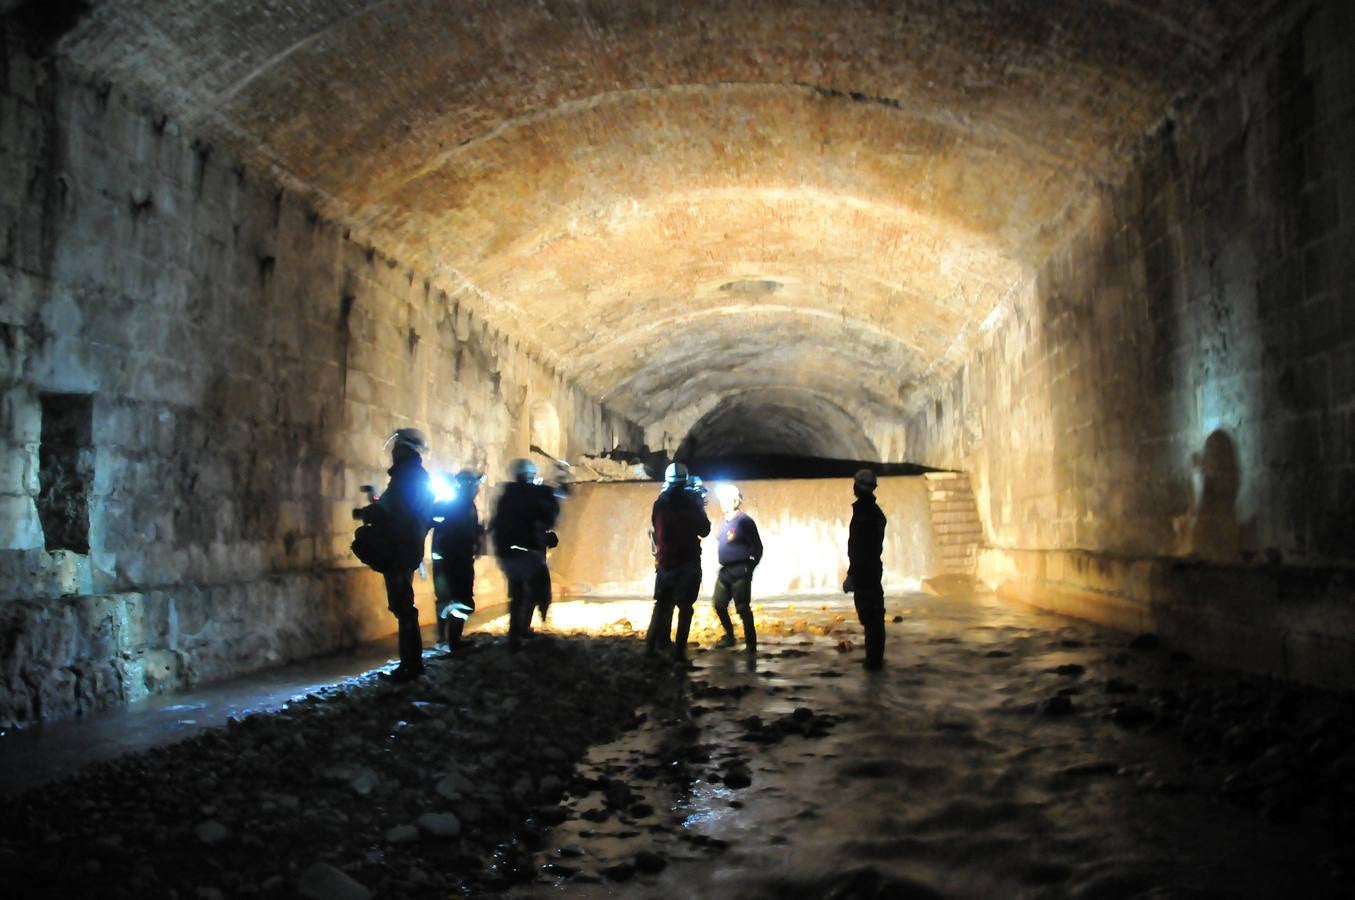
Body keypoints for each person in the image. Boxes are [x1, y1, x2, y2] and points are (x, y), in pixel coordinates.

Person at [376, 428, 435, 682]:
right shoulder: (415, 476)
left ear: (404, 449)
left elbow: (397, 511)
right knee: (403, 605)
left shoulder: (406, 476)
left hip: (399, 547)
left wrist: (373, 513)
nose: (393, 451)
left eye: (397, 447)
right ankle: (411, 663)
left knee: (403, 606)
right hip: (407, 545)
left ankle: (410, 665)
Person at [489, 458, 561, 652]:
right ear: (531, 474)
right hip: (527, 552)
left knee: (518, 594)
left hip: (507, 553)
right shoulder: (534, 495)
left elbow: (498, 525)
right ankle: (526, 627)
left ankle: (517, 633)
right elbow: (548, 517)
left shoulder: (507, 495)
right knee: (538, 589)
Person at [646, 462, 711, 661]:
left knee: (662, 605)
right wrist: (698, 504)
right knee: (685, 608)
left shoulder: (659, 503)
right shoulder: (692, 503)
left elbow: (654, 524)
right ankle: (679, 652)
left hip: (665, 563)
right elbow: (705, 530)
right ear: (685, 480)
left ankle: (650, 648)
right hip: (688, 563)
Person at [431, 468, 485, 653]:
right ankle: (454, 642)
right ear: (469, 485)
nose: (478, 488)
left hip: (445, 560)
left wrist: (477, 535)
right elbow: (458, 533)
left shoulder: (454, 503)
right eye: (476, 484)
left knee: (445, 599)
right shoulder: (462, 505)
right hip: (457, 561)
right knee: (461, 599)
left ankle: (442, 638)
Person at [843, 469, 888, 670]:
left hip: (865, 572)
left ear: (858, 487)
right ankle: (874, 660)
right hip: (871, 570)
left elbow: (861, 548)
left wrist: (852, 575)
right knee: (873, 617)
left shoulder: (865, 513)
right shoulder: (873, 511)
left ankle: (873, 662)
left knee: (871, 616)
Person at [711, 483, 762, 652]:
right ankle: (730, 636)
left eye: (726, 500)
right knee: (718, 604)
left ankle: (751, 645)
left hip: (741, 571)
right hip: (725, 571)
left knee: (742, 609)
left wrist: (751, 566)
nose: (722, 503)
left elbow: (758, 547)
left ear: (735, 501)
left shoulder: (745, 521)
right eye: (721, 500)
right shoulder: (722, 521)